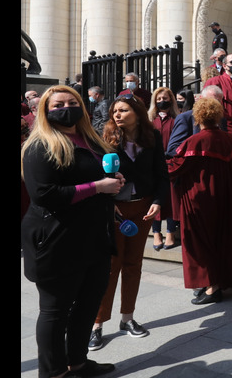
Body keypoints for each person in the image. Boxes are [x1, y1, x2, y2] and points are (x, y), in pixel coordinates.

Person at [21, 85, 122, 378]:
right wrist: (97, 187)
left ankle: (77, 362)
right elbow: (44, 194)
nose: (65, 108)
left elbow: (99, 176)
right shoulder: (39, 145)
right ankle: (53, 373)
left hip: (93, 237)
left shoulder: (91, 140)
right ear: (45, 111)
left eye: (71, 102)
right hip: (56, 239)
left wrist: (112, 182)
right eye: (57, 105)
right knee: (55, 311)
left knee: (88, 305)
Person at [89, 95, 165, 350]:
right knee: (110, 265)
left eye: (123, 110)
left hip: (142, 207)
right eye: (115, 111)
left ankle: (127, 318)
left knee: (133, 264)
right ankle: (96, 324)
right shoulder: (105, 137)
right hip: (114, 209)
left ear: (137, 112)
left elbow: (161, 174)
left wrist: (158, 200)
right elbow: (96, 174)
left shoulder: (152, 137)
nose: (117, 115)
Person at [169, 97, 232, 305]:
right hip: (227, 197)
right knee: (224, 238)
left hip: (200, 199)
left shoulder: (193, 142)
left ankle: (212, 286)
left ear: (197, 117)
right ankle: (216, 283)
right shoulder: (230, 139)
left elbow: (175, 167)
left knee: (202, 242)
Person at [148, 86, 180, 251]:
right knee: (155, 198)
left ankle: (170, 232)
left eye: (165, 98)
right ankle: (156, 233)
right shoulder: (149, 120)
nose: (162, 101)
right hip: (154, 165)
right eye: (159, 99)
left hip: (171, 163)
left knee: (171, 199)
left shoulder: (177, 119)